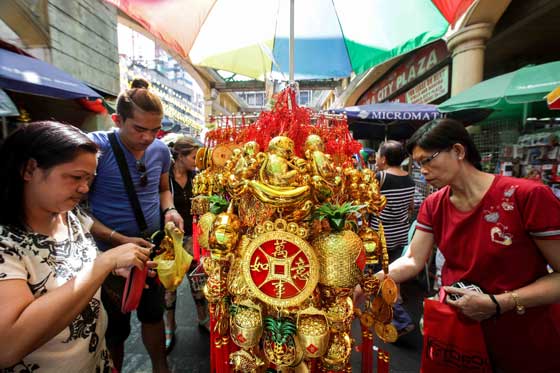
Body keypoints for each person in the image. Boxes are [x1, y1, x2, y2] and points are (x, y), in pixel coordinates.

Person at [385, 118, 560, 372]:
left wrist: (502, 302)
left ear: (458, 151)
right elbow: (413, 259)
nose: (422, 170)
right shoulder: (434, 205)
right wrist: (378, 277)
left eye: (427, 160)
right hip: (460, 337)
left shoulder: (527, 197)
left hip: (523, 334)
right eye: (417, 163)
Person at [0, 121, 153, 372]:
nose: (84, 188)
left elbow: (78, 266)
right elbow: (8, 346)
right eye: (75, 178)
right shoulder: (6, 243)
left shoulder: (70, 216)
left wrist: (114, 267)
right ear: (29, 169)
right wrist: (103, 264)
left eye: (89, 180)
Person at [87, 83, 182, 373]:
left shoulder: (160, 152)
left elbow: (164, 189)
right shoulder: (96, 147)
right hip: (107, 254)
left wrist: (171, 210)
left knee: (153, 314)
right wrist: (117, 238)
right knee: (114, 327)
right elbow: (77, 210)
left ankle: (160, 368)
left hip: (148, 249)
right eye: (139, 129)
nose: (148, 138)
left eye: (156, 131)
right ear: (117, 120)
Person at [163, 135, 209, 352]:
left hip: (194, 236)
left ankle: (203, 318)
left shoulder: (198, 177)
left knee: (198, 281)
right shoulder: (165, 179)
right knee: (169, 286)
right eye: (193, 156)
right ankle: (169, 326)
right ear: (180, 156)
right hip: (171, 238)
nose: (196, 160)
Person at [370, 140, 416, 337]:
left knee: (382, 276)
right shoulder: (410, 179)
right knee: (392, 274)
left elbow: (369, 204)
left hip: (381, 235)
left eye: (379, 155)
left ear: (385, 158)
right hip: (400, 233)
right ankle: (385, 312)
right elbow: (410, 207)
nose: (377, 158)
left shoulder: (380, 177)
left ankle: (401, 320)